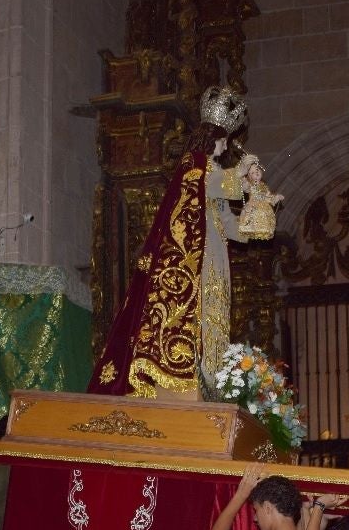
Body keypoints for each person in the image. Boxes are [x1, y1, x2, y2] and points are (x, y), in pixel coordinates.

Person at [88, 86, 262, 399]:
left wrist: (256, 217)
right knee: (198, 319)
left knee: (215, 321)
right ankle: (193, 379)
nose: (224, 150)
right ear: (212, 137)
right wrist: (247, 170)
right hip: (196, 263)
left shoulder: (212, 176)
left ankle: (211, 383)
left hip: (216, 264)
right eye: (223, 142)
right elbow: (227, 183)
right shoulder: (194, 165)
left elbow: (232, 226)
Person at [238, 156, 283, 241]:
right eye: (253, 172)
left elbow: (268, 197)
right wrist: (242, 176)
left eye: (258, 170)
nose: (256, 172)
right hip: (253, 205)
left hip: (264, 208)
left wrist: (276, 198)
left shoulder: (264, 186)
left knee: (264, 220)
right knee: (253, 218)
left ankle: (263, 229)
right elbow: (243, 185)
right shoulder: (250, 184)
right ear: (249, 176)